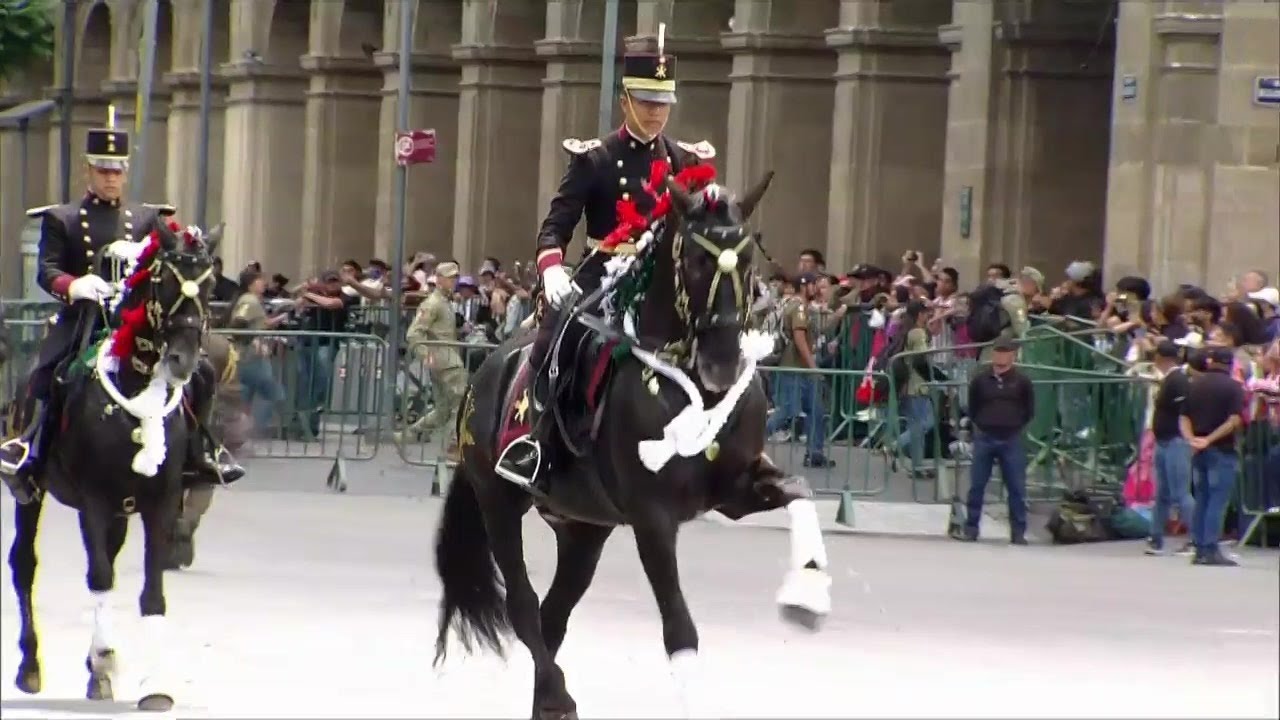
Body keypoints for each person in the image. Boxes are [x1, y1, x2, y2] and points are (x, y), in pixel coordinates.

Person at [496, 47, 716, 488]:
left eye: (663, 104)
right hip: (602, 273)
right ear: (625, 101)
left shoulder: (683, 161)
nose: (656, 114)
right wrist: (554, 271)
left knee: (715, 330)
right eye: (647, 102)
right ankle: (531, 439)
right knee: (561, 338)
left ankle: (720, 437)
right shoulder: (594, 159)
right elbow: (554, 229)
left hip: (660, 278)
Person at [0, 111, 243, 504]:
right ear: (88, 171)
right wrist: (74, 285)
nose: (110, 178)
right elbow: (48, 270)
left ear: (125, 173)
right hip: (85, 317)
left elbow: (174, 252)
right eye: (102, 170)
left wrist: (191, 243)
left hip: (137, 318)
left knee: (201, 373)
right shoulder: (62, 218)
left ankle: (202, 451)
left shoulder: (148, 217)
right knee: (47, 372)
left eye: (117, 171)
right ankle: (31, 449)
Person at [957, 337, 1035, 544]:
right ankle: (971, 528)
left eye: (1005, 352)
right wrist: (980, 425)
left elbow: (1029, 410)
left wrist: (1015, 424)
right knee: (977, 485)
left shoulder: (1022, 382)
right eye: (997, 352)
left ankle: (1018, 532)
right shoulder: (980, 380)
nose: (1001, 356)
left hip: (1010, 437)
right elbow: (973, 406)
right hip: (985, 436)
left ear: (1012, 356)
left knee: (1016, 487)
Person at [1180, 345, 1246, 566]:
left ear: (1210, 362)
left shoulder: (1194, 385)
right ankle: (1210, 547)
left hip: (1198, 449)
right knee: (1218, 500)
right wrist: (1210, 439)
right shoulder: (1234, 388)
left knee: (1202, 498)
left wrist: (1193, 439)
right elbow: (1234, 420)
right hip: (1221, 448)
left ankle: (1198, 547)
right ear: (1230, 365)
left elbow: (1184, 418)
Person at [397, 261, 466, 461]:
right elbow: (414, 334)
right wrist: (425, 354)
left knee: (443, 409)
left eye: (455, 277)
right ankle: (454, 446)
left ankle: (408, 434)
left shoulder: (443, 302)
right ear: (440, 279)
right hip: (446, 361)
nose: (454, 281)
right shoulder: (433, 303)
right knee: (461, 404)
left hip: (446, 359)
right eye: (451, 277)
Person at [1145, 340, 1195, 556]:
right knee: (1163, 493)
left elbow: (1185, 409)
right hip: (1165, 440)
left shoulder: (1178, 380)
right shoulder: (1170, 380)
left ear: (1160, 358)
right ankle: (1155, 536)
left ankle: (1195, 539)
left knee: (1179, 492)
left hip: (1175, 440)